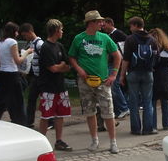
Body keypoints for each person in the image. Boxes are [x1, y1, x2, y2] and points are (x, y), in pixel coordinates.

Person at [69, 10, 121, 152]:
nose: (102, 23)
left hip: (103, 81)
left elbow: (117, 56)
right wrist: (79, 69)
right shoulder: (79, 38)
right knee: (89, 111)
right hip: (85, 81)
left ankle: (113, 142)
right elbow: (72, 57)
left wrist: (113, 75)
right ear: (91, 23)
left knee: (109, 112)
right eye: (99, 21)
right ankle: (94, 140)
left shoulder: (105, 38)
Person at [37, 19, 73, 151]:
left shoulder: (60, 46)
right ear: (56, 31)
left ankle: (59, 140)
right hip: (48, 87)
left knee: (60, 115)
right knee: (46, 116)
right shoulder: (46, 47)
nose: (62, 32)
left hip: (60, 86)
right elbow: (52, 68)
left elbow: (67, 66)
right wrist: (60, 66)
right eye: (61, 29)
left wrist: (61, 67)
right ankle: (41, 142)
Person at [119, 16, 157, 135]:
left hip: (133, 73)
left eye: (131, 26)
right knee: (148, 101)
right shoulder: (152, 39)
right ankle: (148, 129)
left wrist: (122, 75)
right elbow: (157, 56)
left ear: (135, 25)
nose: (130, 28)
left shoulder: (130, 39)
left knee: (133, 102)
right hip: (148, 73)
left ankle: (135, 129)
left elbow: (125, 59)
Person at [0, 22, 32, 125]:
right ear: (14, 32)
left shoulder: (1, 43)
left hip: (2, 74)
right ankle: (20, 122)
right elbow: (18, 61)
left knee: (1, 101)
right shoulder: (12, 42)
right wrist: (27, 52)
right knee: (18, 101)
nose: (18, 34)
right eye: (17, 32)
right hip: (12, 74)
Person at [102, 17, 130, 122]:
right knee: (116, 85)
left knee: (114, 85)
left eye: (104, 25)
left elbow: (125, 48)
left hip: (116, 63)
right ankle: (121, 108)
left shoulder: (119, 34)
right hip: (110, 62)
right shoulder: (108, 36)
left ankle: (124, 107)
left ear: (110, 23)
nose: (103, 28)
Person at [19, 23, 45, 128]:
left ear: (30, 32)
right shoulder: (31, 44)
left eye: (25, 35)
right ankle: (29, 121)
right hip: (35, 76)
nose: (25, 38)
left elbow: (44, 59)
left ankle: (50, 121)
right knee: (31, 99)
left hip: (41, 76)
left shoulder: (39, 44)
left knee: (44, 99)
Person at [150, 27, 168, 130]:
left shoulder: (151, 51)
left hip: (154, 76)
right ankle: (167, 124)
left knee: (152, 102)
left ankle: (153, 125)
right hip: (165, 77)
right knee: (166, 101)